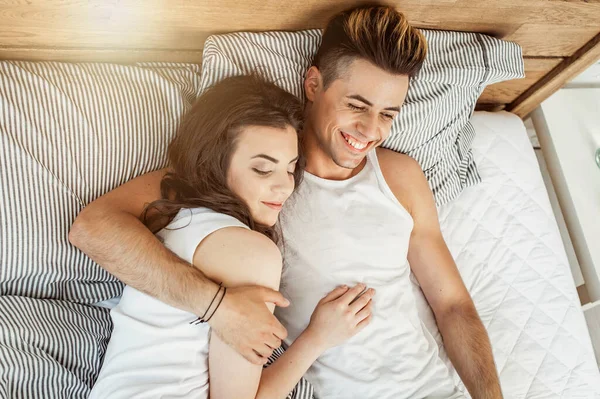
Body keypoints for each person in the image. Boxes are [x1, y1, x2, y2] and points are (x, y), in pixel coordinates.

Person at [71, 4, 503, 399]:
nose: (370, 130)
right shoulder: (241, 174)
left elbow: (453, 306)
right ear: (313, 83)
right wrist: (215, 307)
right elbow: (95, 227)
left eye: (388, 113)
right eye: (357, 105)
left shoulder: (400, 176)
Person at [88, 74, 374, 398]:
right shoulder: (251, 254)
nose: (285, 187)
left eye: (291, 167)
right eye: (263, 169)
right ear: (216, 163)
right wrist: (317, 338)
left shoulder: (173, 214)